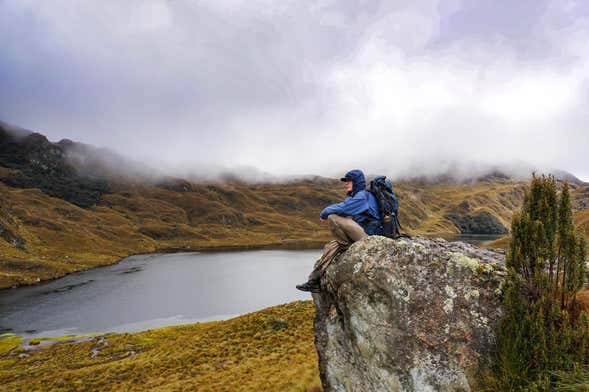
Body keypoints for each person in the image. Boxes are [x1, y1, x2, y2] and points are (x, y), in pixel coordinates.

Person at [296, 169, 382, 293]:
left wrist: (325, 212)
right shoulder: (357, 196)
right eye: (345, 181)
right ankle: (314, 281)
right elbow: (344, 208)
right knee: (330, 247)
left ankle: (346, 247)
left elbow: (344, 209)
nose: (346, 184)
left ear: (357, 182)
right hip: (364, 233)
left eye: (349, 181)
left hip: (371, 238)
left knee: (332, 217)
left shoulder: (362, 196)